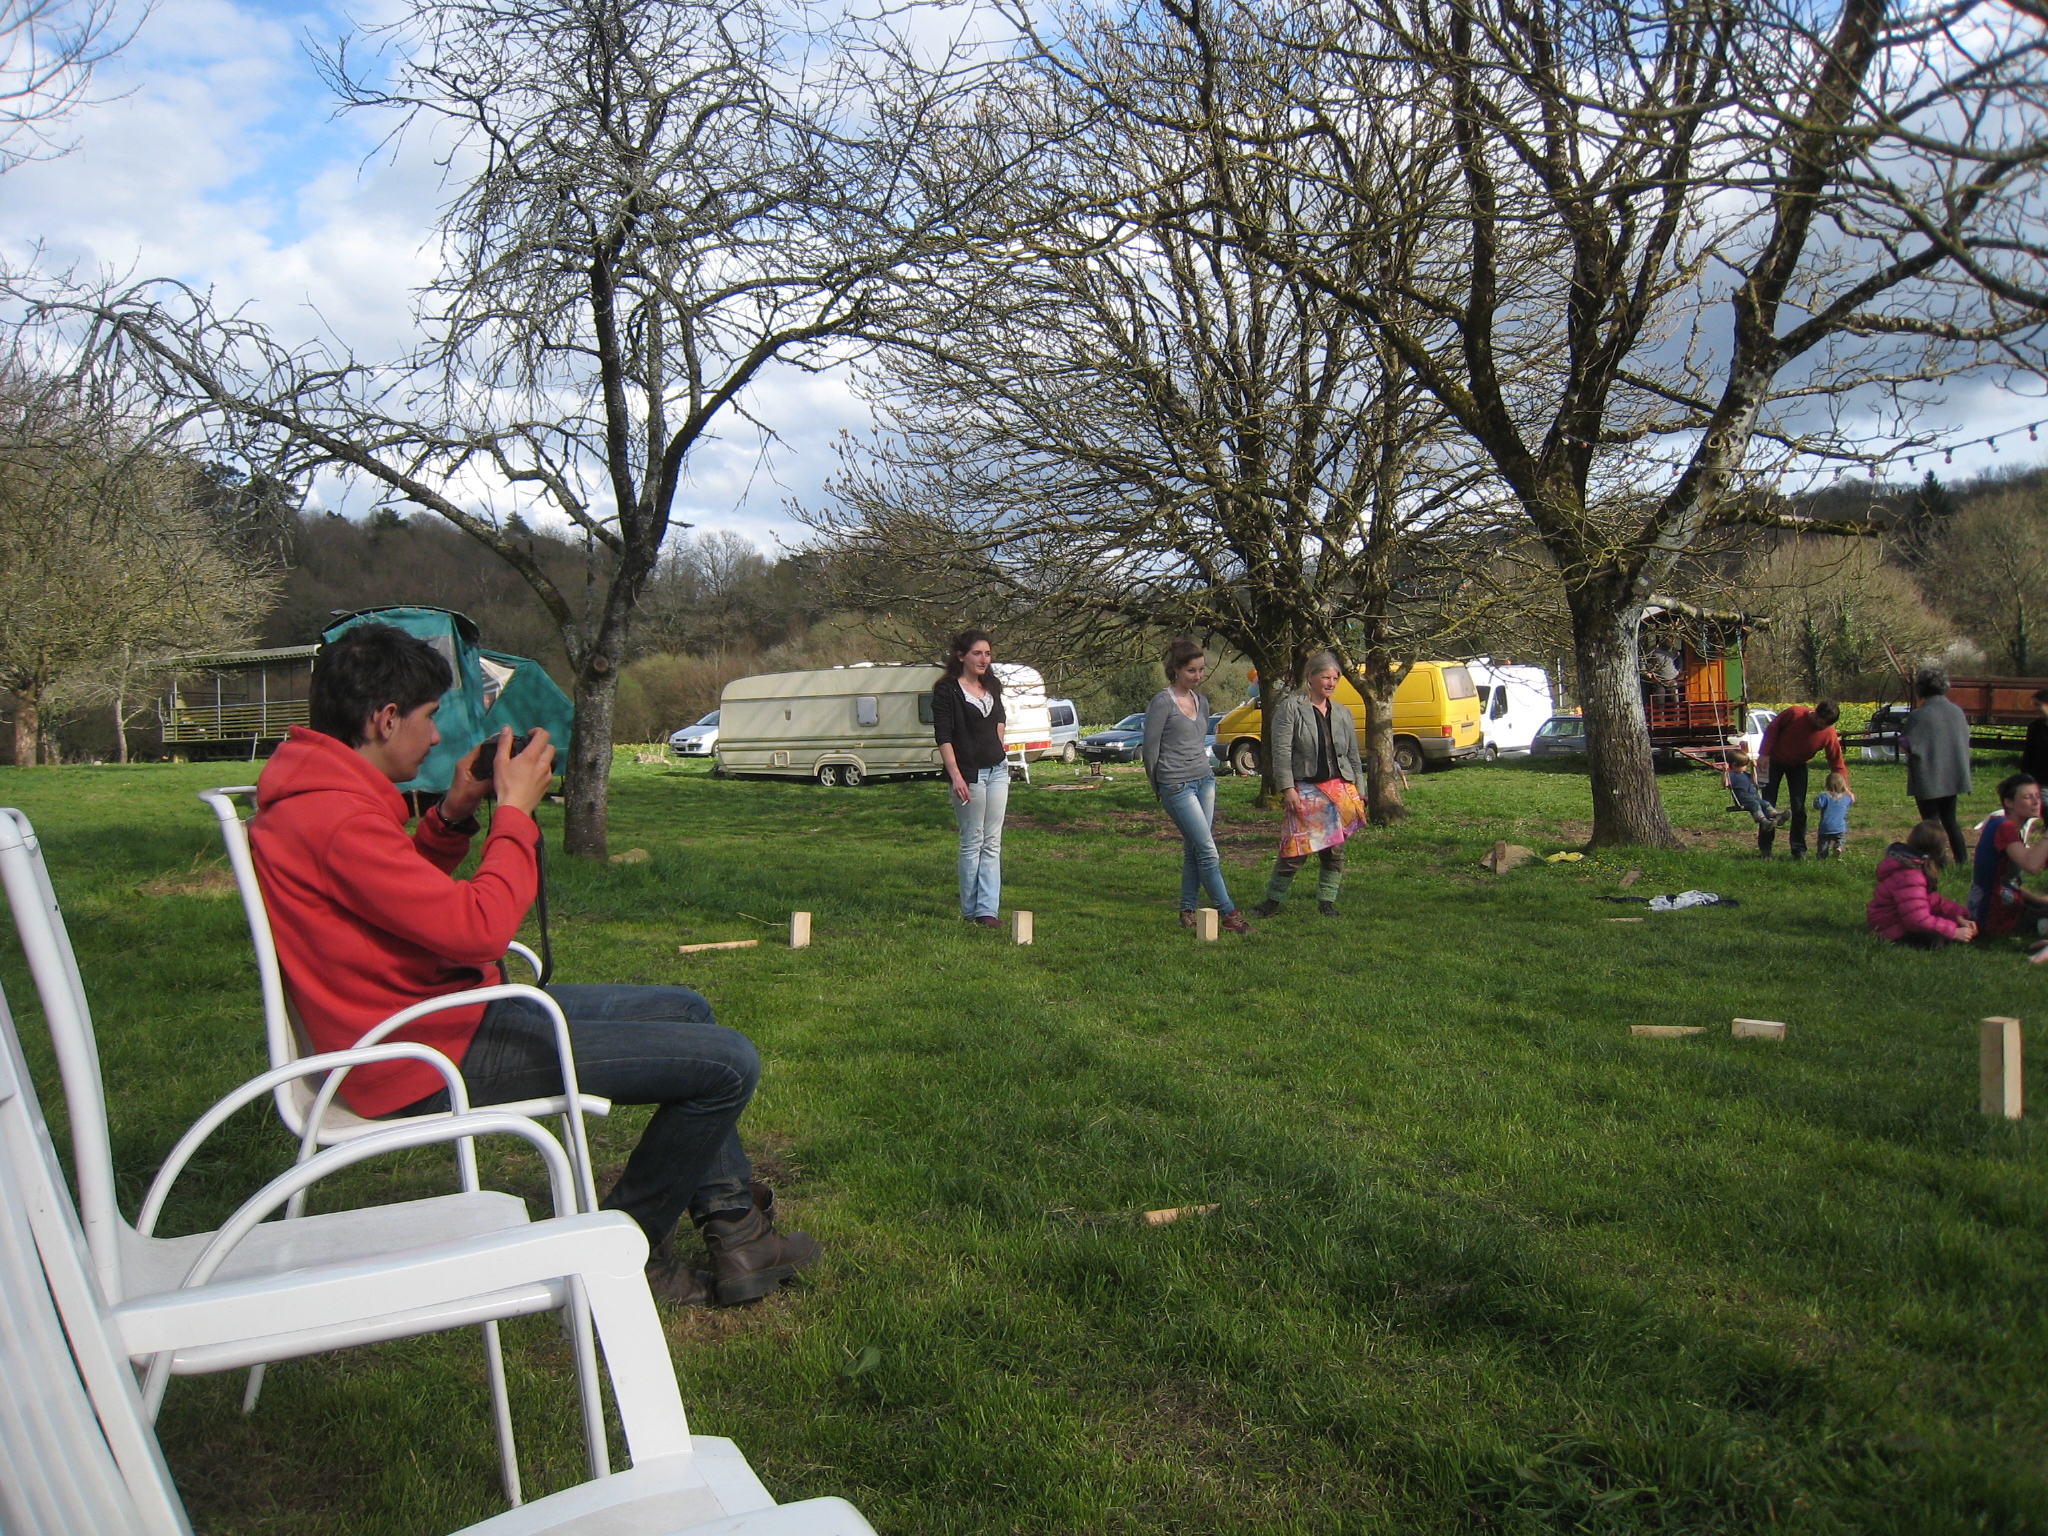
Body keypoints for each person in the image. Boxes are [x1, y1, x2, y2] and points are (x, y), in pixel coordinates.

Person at [249, 624, 818, 1309]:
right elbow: (477, 929)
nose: (436, 736)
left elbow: (390, 899)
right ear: (386, 719)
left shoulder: (319, 798)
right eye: (429, 717)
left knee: (687, 1008)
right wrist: (513, 814)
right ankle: (627, 1248)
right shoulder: (337, 816)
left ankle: (739, 1235)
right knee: (729, 1064)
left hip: (430, 1021)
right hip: (424, 1054)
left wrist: (452, 814)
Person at [1142, 639, 1252, 934]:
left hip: (1205, 780)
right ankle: (1229, 913)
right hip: (1175, 784)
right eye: (1192, 670)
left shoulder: (1202, 702)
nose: (1198, 676)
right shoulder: (1162, 702)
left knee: (1195, 848)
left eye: (1201, 670)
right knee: (1208, 850)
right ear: (1176, 669)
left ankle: (1187, 910)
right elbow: (1150, 750)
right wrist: (1157, 785)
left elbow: (1197, 741)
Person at [1249, 653, 1366, 919]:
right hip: (1306, 791)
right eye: (1326, 677)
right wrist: (1287, 788)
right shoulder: (1291, 708)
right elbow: (1281, 752)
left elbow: (1353, 757)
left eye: (1335, 678)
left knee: (1334, 852)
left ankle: (1327, 903)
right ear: (1310, 677)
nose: (1331, 683)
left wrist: (1360, 791)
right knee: (1294, 851)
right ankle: (1272, 902)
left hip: (1339, 792)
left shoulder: (1343, 713)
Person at [931, 628, 1007, 927]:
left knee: (992, 841)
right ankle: (970, 910)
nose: (984, 659)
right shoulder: (947, 690)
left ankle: (988, 911)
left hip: (997, 770)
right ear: (961, 656)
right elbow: (944, 736)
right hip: (968, 774)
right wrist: (956, 776)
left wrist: (998, 744)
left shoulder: (992, 686)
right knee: (973, 840)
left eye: (987, 653)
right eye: (977, 653)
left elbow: (999, 720)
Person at [1757, 700, 1847, 859]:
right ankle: (1766, 847)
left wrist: (1845, 789)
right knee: (1768, 803)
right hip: (1774, 761)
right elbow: (1772, 729)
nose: (1823, 727)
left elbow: (1836, 762)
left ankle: (1798, 849)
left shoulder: (1828, 733)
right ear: (1816, 714)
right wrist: (1764, 754)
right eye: (1822, 723)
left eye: (1827, 725)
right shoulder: (1795, 713)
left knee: (1798, 807)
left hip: (1799, 766)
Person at [1901, 665, 1972, 863]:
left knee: (1931, 823)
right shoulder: (1957, 711)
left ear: (1921, 688)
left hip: (1928, 777)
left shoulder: (1918, 715)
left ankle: (1939, 864)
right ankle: (1962, 860)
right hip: (1952, 776)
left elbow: (1906, 744)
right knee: (1950, 820)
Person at [1868, 819, 1977, 947]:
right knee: (1934, 940)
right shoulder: (1911, 876)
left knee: (1943, 929)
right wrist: (1953, 932)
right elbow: (1916, 920)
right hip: (1889, 925)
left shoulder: (1913, 866)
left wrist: (1958, 915)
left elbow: (1930, 900)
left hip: (1899, 918)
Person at [1968, 771, 2048, 944]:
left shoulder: (2004, 824)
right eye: (2027, 797)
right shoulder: (2003, 827)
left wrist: (2038, 901)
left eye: (2037, 796)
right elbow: (2032, 865)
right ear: (2009, 802)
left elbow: (2010, 882)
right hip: (1995, 917)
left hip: (2003, 905)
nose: (2036, 802)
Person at [1723, 740, 1789, 830]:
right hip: (1743, 799)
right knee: (1755, 805)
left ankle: (1777, 816)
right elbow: (1725, 784)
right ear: (1734, 765)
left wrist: (1753, 768)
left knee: (1765, 803)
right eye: (1744, 765)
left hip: (1753, 796)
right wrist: (1725, 771)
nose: (1745, 767)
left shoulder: (1744, 774)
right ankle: (1764, 822)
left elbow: (1754, 781)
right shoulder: (1731, 775)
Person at [1811, 770, 1855, 859]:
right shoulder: (1846, 797)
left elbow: (1817, 806)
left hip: (1826, 827)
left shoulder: (1824, 796)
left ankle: (1822, 857)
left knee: (1823, 844)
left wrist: (1816, 800)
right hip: (1840, 826)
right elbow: (1852, 800)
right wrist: (1848, 792)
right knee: (1841, 840)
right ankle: (1839, 847)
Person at [2023, 688, 2048, 784]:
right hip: (2039, 782)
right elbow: (2029, 755)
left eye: (2038, 705)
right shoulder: (2035, 726)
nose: (2036, 709)